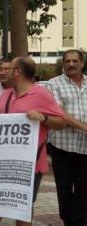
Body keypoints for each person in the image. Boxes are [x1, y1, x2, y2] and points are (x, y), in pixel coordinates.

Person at [0, 57, 66, 226]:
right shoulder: (7, 93)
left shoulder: (42, 94)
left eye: (9, 68)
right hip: (2, 162)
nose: (3, 71)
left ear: (17, 72)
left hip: (30, 164)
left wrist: (43, 118)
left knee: (22, 207)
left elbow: (61, 122)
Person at [46, 49, 87, 226]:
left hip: (85, 147)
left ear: (82, 63)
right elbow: (58, 112)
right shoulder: (53, 84)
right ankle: (68, 221)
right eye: (67, 61)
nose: (71, 64)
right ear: (63, 64)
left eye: (74, 61)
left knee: (83, 189)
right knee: (64, 188)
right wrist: (83, 126)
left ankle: (79, 221)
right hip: (62, 146)